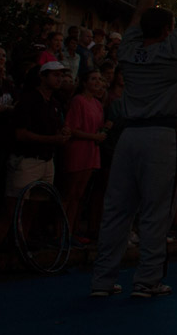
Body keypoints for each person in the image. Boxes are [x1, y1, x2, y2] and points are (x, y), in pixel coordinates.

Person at [89, 0, 177, 298]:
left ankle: (102, 280)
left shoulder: (128, 54)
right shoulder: (172, 53)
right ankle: (147, 280)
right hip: (160, 136)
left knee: (117, 210)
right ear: (168, 31)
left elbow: (137, 20)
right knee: (156, 211)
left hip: (128, 136)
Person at [0, 60, 70, 275]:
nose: (59, 79)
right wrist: (52, 139)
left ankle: (16, 258)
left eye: (61, 75)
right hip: (26, 160)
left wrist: (61, 134)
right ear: (43, 76)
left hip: (47, 161)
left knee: (31, 210)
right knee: (10, 209)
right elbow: (20, 134)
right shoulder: (29, 100)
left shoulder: (54, 103)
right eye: (55, 75)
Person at [61, 70, 109, 243]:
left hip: (92, 151)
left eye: (100, 79)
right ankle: (61, 231)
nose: (98, 82)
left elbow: (100, 128)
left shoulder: (97, 104)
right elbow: (71, 127)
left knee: (79, 194)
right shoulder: (78, 101)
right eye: (93, 79)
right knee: (69, 192)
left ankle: (71, 230)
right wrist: (93, 137)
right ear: (84, 82)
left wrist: (104, 131)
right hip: (78, 149)